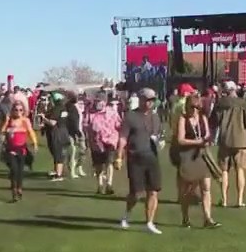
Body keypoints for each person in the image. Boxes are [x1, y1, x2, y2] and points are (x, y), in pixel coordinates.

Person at [115, 88, 164, 234]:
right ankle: (126, 215)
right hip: (135, 158)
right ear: (141, 100)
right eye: (147, 100)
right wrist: (119, 156)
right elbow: (123, 137)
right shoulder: (131, 116)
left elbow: (159, 135)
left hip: (152, 157)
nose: (150, 103)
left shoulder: (155, 117)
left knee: (153, 191)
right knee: (136, 193)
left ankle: (149, 222)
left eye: (152, 100)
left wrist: (160, 142)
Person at [173, 96, 220, 228]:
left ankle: (208, 218)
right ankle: (185, 217)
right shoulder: (183, 119)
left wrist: (205, 140)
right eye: (192, 107)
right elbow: (180, 139)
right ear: (187, 107)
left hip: (201, 155)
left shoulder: (202, 118)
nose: (194, 110)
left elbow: (207, 134)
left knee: (206, 188)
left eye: (197, 107)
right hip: (187, 156)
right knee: (187, 190)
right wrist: (196, 142)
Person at [215, 81, 246, 208]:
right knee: (240, 170)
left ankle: (224, 200)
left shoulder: (221, 103)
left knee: (224, 170)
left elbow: (215, 120)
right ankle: (239, 200)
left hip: (225, 139)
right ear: (235, 89)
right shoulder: (243, 103)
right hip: (241, 140)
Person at [0, 98, 38, 202]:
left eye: (20, 110)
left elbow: (31, 132)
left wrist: (35, 143)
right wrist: (6, 122)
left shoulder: (25, 121)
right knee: (14, 170)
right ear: (13, 110)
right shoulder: (9, 120)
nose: (18, 112)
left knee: (20, 171)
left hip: (22, 149)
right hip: (11, 149)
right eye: (16, 110)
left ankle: (19, 187)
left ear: (23, 111)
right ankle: (14, 191)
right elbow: (1, 132)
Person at [84, 97, 121, 196]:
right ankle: (100, 185)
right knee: (98, 165)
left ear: (105, 102)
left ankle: (109, 185)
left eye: (100, 102)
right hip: (96, 142)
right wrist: (90, 130)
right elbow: (85, 125)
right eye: (96, 102)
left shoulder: (112, 112)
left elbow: (118, 124)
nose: (98, 104)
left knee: (109, 162)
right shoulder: (90, 113)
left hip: (110, 141)